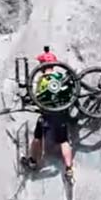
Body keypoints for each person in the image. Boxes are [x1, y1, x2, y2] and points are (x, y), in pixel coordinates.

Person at [24, 46, 75, 183]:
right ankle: (69, 169)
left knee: (37, 137)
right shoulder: (60, 77)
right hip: (61, 114)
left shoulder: (43, 79)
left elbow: (39, 98)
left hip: (47, 114)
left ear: (42, 65)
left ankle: (33, 161)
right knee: (64, 141)